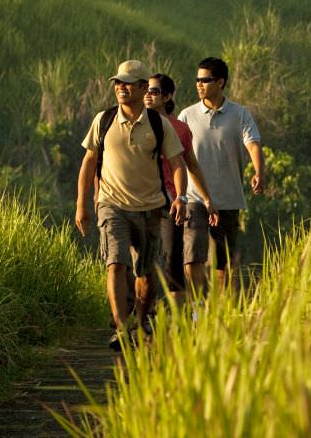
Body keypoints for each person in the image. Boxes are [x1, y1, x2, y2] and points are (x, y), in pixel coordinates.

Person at [75, 60, 216, 349]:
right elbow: (89, 162)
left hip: (151, 207)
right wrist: (82, 205)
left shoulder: (159, 124)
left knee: (146, 274)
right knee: (115, 263)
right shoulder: (103, 120)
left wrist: (179, 197)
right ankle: (122, 327)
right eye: (117, 83)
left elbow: (179, 164)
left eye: (128, 83)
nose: (121, 88)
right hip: (111, 204)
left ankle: (139, 320)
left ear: (142, 88)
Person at [178, 56, 265, 294]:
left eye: (205, 80)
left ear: (220, 82)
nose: (199, 85)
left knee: (223, 261)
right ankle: (196, 306)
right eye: (197, 80)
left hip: (228, 198)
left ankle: (219, 310)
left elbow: (253, 144)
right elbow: (175, 155)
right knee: (192, 254)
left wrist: (259, 171)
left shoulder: (240, 114)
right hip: (194, 197)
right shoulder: (187, 115)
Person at [143, 73, 213, 306]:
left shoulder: (179, 129)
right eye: (146, 90)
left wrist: (205, 198)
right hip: (138, 200)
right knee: (142, 261)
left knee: (172, 259)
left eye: (154, 91)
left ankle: (177, 322)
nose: (147, 96)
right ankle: (141, 316)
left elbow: (190, 165)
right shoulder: (134, 123)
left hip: (169, 201)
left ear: (168, 96)